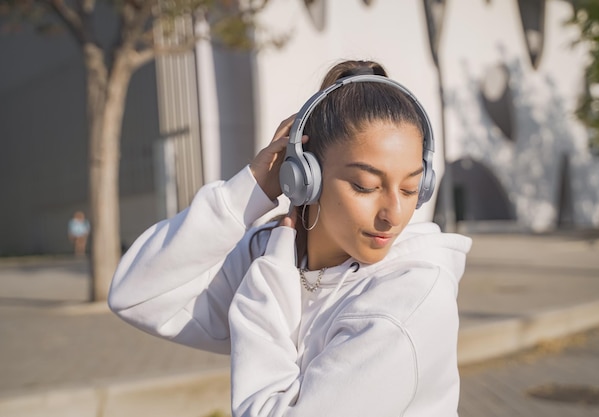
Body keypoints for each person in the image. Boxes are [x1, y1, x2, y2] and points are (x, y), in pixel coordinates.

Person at [108, 60, 472, 416]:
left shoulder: (410, 302)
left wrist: (269, 286)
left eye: (410, 188)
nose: (393, 214)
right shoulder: (272, 253)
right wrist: (248, 192)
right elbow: (136, 294)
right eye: (366, 186)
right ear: (303, 178)